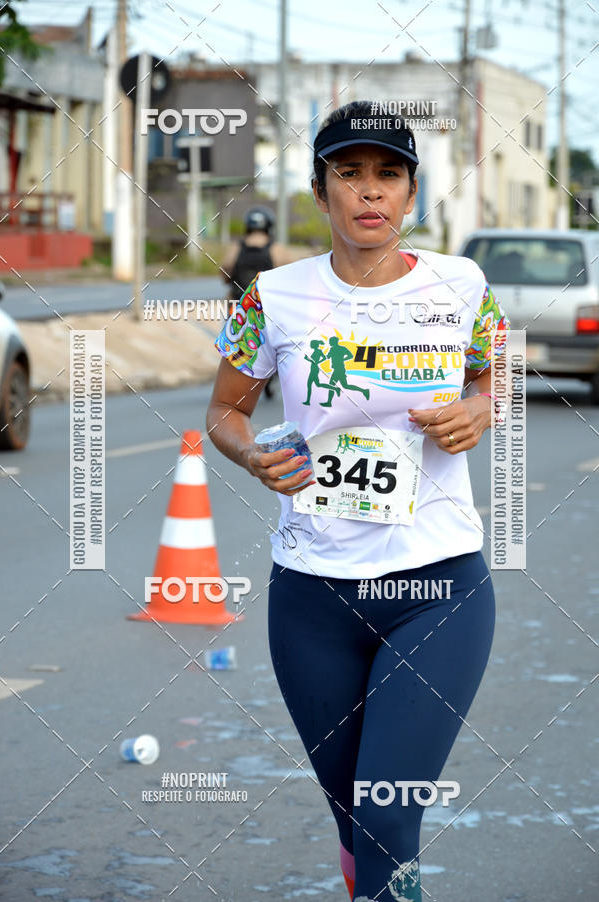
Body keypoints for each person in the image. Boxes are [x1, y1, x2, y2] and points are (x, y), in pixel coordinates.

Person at [207, 100, 509, 902]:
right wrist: (252, 454)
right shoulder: (271, 296)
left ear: (411, 192)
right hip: (312, 595)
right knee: (353, 819)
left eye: (389, 174)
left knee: (386, 815)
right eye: (349, 173)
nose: (370, 191)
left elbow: (492, 374)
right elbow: (225, 411)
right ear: (320, 191)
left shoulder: (462, 286)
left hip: (437, 587)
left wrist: (480, 408)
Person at [221, 205, 293, 398]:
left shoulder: (236, 247)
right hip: (268, 306)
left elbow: (225, 272)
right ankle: (269, 376)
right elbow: (288, 277)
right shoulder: (277, 249)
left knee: (234, 344)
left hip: (239, 305)